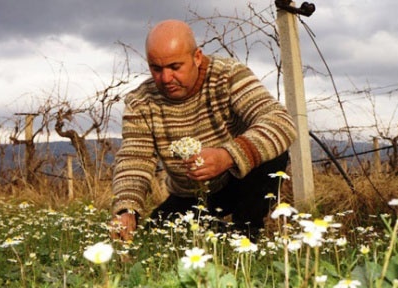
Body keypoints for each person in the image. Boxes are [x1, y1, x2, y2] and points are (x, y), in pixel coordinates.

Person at [111, 19, 296, 240]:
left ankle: (247, 232)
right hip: (188, 194)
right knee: (153, 239)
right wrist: (127, 209)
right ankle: (219, 233)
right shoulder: (140, 102)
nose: (165, 78)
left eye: (175, 67)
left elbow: (280, 121)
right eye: (156, 69)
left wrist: (228, 156)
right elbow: (134, 158)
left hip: (238, 180)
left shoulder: (227, 76)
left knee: (273, 153)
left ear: (197, 57)